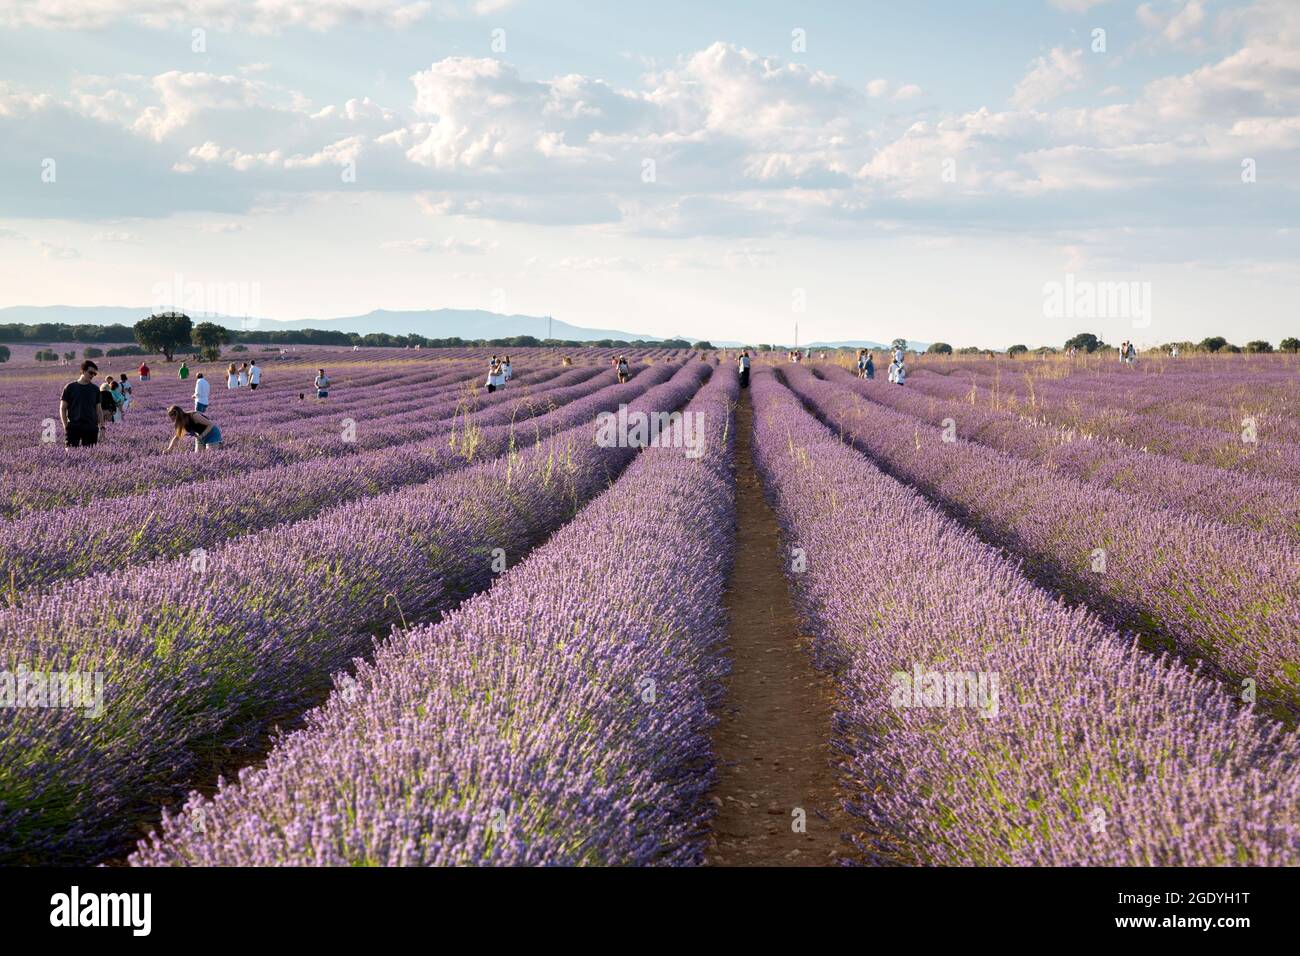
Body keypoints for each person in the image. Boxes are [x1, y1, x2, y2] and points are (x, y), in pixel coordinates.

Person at [59, 359, 103, 447]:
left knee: (90, 455)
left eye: (94, 374)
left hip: (91, 427)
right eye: (90, 373)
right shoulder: (70, 387)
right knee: (70, 453)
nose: (92, 375)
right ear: (83, 371)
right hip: (73, 426)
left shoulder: (95, 389)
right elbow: (62, 408)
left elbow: (99, 410)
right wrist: (66, 426)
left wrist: (102, 427)